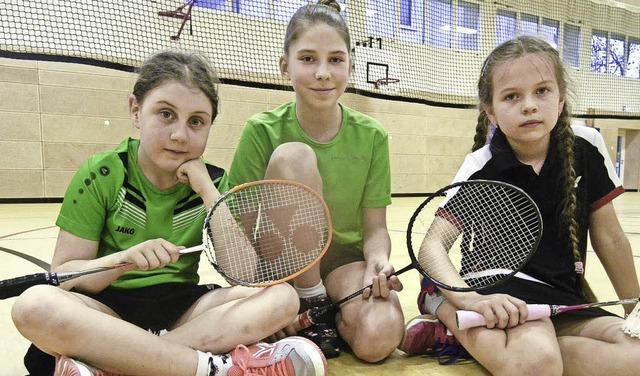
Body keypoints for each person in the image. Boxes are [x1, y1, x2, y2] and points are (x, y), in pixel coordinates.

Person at [11, 50, 328, 376]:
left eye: (196, 122)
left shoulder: (215, 182)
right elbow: (65, 275)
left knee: (282, 298)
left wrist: (206, 189)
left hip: (182, 311)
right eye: (165, 114)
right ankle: (208, 367)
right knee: (34, 305)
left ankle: (119, 363)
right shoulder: (103, 174)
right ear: (136, 110)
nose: (180, 135)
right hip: (106, 310)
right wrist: (123, 260)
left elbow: (243, 273)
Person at [400, 35, 640, 375]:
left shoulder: (587, 146)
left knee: (635, 355)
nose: (529, 105)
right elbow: (432, 247)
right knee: (536, 364)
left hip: (561, 295)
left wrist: (635, 310)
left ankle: (485, 341)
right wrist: (470, 300)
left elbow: (611, 239)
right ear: (491, 111)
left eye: (542, 91)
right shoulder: (481, 166)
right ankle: (442, 306)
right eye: (512, 96)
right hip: (496, 286)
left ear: (560, 100)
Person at [228, 0, 404, 363]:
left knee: (380, 336)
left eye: (336, 60)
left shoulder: (372, 136)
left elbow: (375, 228)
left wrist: (377, 261)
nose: (323, 72)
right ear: (284, 67)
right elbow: (237, 227)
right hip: (280, 266)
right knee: (294, 156)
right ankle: (308, 300)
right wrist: (262, 292)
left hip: (342, 266)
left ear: (350, 67)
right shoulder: (261, 131)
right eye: (308, 59)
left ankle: (320, 315)